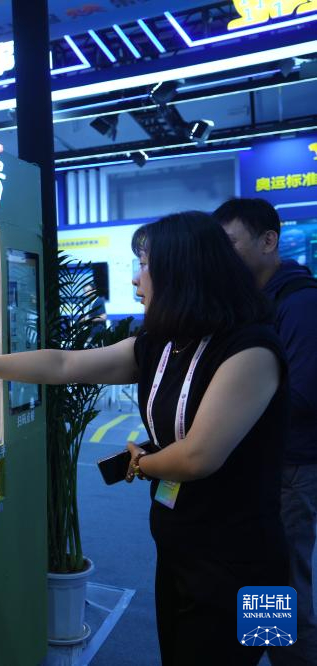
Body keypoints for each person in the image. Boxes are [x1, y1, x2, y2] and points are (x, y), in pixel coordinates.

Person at [0, 211, 289, 666]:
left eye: (145, 265)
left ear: (183, 271)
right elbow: (64, 365)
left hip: (244, 561)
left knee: (263, 650)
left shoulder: (251, 350)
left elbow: (198, 458)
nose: (135, 279)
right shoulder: (164, 343)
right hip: (181, 548)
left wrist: (140, 462)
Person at [214, 197, 317, 666]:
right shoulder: (257, 304)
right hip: (265, 466)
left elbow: (303, 393)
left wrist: (228, 410)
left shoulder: (301, 302)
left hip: (291, 467)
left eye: (230, 242)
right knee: (266, 576)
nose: (223, 255)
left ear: (268, 240)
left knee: (286, 580)